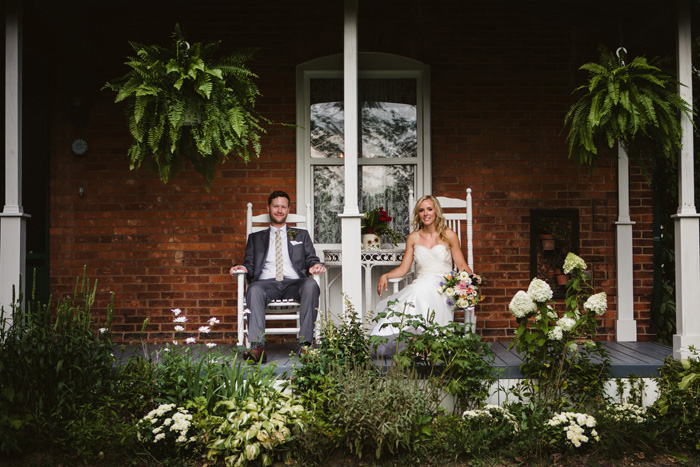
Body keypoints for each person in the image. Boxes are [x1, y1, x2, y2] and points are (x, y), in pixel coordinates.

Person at [230, 190, 326, 363]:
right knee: (254, 289)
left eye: (283, 207)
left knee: (311, 285)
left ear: (288, 209)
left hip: (295, 283)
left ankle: (305, 346)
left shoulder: (301, 235)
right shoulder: (255, 238)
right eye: (276, 206)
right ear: (268, 208)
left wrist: (315, 265)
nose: (279, 210)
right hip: (266, 284)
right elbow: (250, 264)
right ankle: (257, 347)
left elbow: (312, 258)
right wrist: (242, 267)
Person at [369, 195, 472, 356]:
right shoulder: (414, 238)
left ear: (436, 211)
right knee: (418, 290)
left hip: (444, 285)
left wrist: (470, 283)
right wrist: (386, 276)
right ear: (418, 215)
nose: (426, 213)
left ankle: (428, 344)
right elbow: (403, 269)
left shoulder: (449, 235)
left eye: (429, 209)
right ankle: (420, 345)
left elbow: (462, 266)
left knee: (422, 291)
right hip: (422, 283)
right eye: (421, 210)